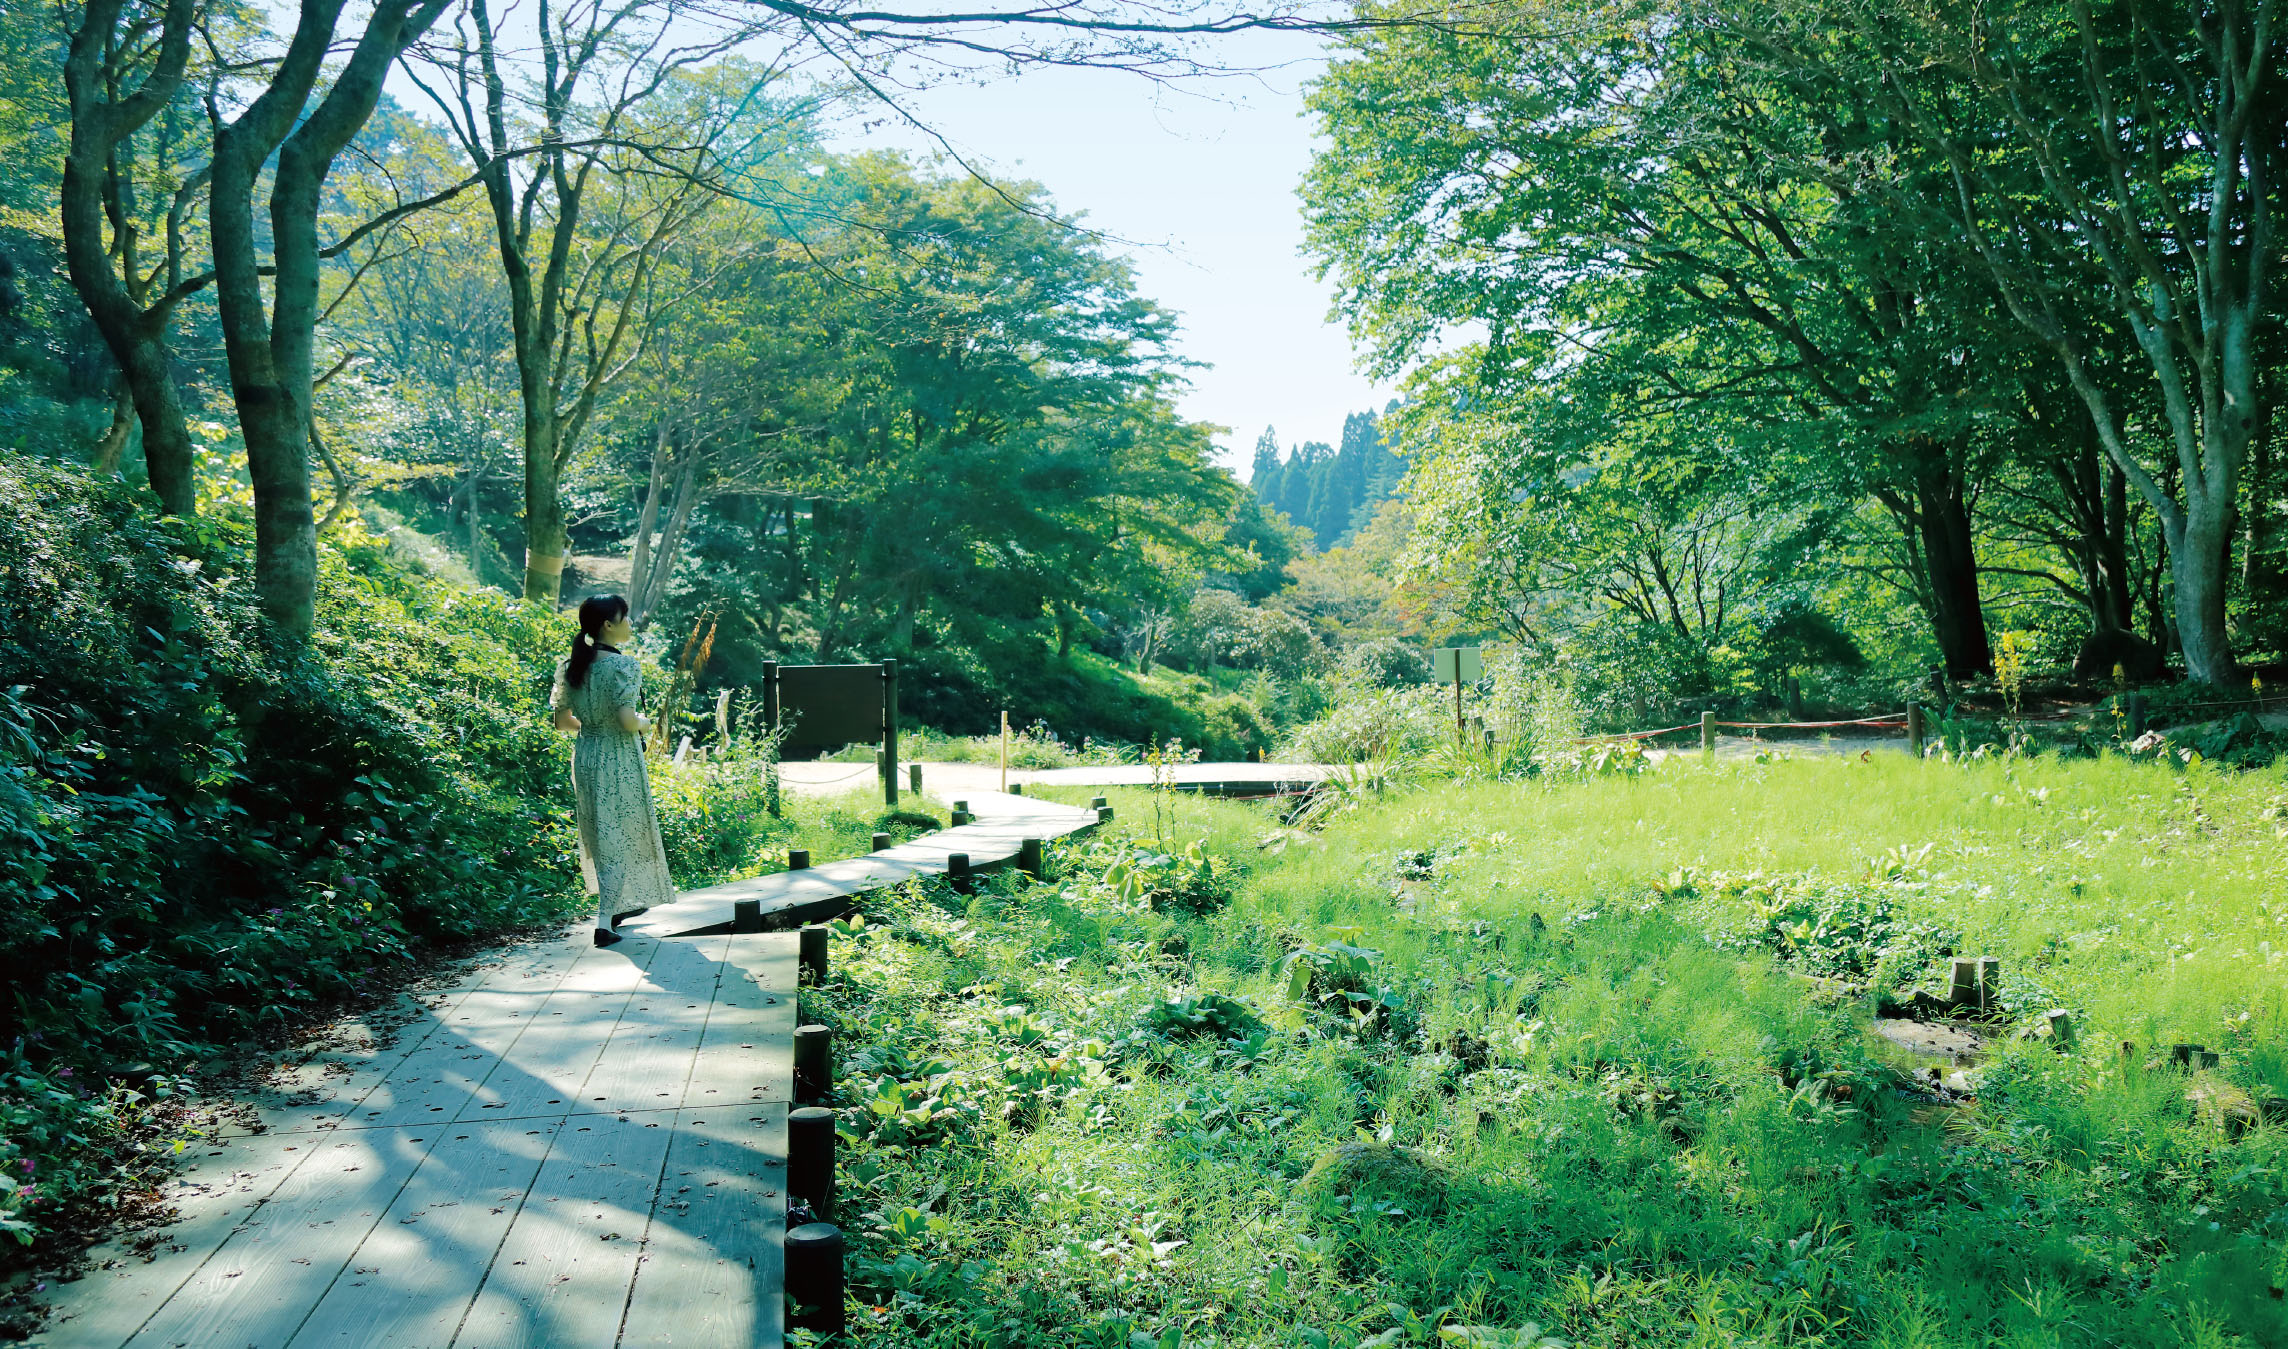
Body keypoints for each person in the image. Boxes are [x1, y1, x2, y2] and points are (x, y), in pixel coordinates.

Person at [549, 594, 676, 946]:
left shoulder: (570, 665)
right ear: (609, 624)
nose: (630, 623)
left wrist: (593, 728)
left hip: (587, 753)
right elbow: (625, 721)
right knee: (619, 831)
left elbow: (562, 722)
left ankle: (616, 906)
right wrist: (645, 723)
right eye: (626, 617)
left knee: (600, 832)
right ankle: (605, 921)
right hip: (618, 758)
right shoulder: (624, 666)